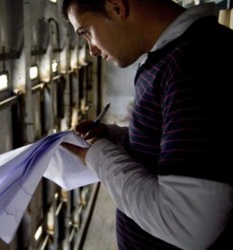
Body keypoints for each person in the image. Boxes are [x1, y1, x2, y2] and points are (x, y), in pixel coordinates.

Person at [60, 0, 233, 249]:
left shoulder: (196, 61)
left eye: (86, 32)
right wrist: (116, 137)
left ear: (116, 6)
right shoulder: (169, 56)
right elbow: (174, 143)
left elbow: (188, 225)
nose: (92, 50)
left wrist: (98, 155)